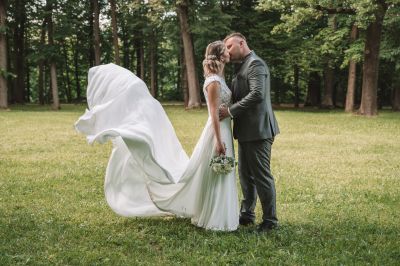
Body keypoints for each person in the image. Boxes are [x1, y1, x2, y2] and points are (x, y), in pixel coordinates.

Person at [75, 40, 239, 231]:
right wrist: (218, 141)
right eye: (226, 50)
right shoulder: (213, 82)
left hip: (224, 129)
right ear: (220, 55)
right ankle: (214, 217)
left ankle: (221, 214)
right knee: (217, 172)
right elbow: (213, 114)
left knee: (220, 172)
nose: (229, 52)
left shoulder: (220, 78)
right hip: (218, 131)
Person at [219, 32, 280, 232]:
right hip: (246, 131)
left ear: (242, 43)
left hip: (259, 130)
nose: (227, 50)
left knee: (262, 176)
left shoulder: (255, 64)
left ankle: (270, 222)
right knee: (246, 176)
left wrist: (229, 111)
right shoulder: (242, 66)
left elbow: (257, 94)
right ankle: (247, 215)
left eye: (229, 46)